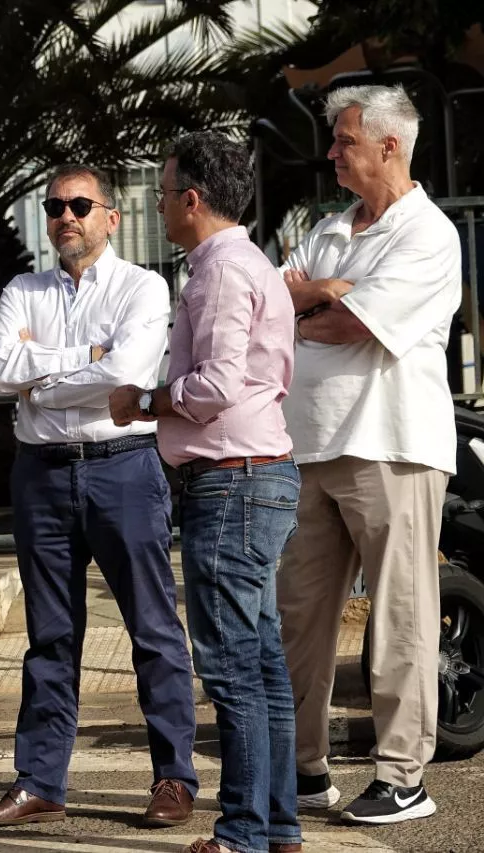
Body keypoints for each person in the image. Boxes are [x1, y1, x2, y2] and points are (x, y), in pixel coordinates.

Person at [0, 164, 198, 828]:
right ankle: (40, 779)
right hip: (41, 472)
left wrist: (40, 370)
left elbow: (128, 374)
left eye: (79, 204)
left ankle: (174, 777)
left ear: (110, 216)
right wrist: (85, 357)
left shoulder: (143, 286)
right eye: (53, 206)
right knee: (50, 635)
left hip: (123, 468)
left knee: (153, 628)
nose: (64, 216)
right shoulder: (23, 287)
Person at [110, 132, 302, 853]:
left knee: (231, 666)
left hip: (230, 481)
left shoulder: (220, 271)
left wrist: (148, 400)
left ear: (192, 199)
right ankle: (277, 825)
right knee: (261, 662)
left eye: (162, 194)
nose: (158, 206)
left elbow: (217, 384)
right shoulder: (248, 263)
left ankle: (244, 831)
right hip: (257, 472)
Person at [277, 84, 461, 825]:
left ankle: (402, 775)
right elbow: (267, 301)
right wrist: (319, 291)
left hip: (394, 443)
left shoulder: (429, 234)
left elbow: (353, 324)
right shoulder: (327, 230)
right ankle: (302, 767)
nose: (330, 153)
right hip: (309, 444)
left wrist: (312, 303)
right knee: (299, 615)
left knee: (402, 615)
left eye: (343, 141)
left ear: (390, 145)